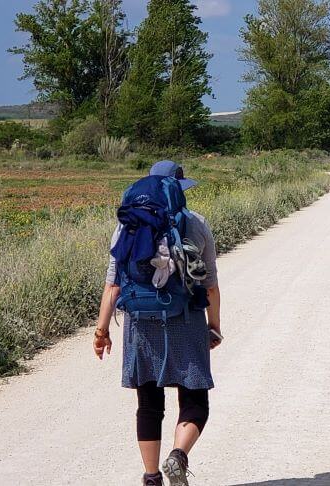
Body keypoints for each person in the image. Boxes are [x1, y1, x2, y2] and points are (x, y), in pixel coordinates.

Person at [94, 160, 222, 486]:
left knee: (148, 404)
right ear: (179, 189)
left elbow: (114, 284)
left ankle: (151, 478)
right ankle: (178, 455)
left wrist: (102, 330)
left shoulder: (128, 226)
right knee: (194, 400)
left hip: (140, 323)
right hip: (187, 318)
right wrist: (214, 325)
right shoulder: (195, 223)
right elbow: (209, 284)